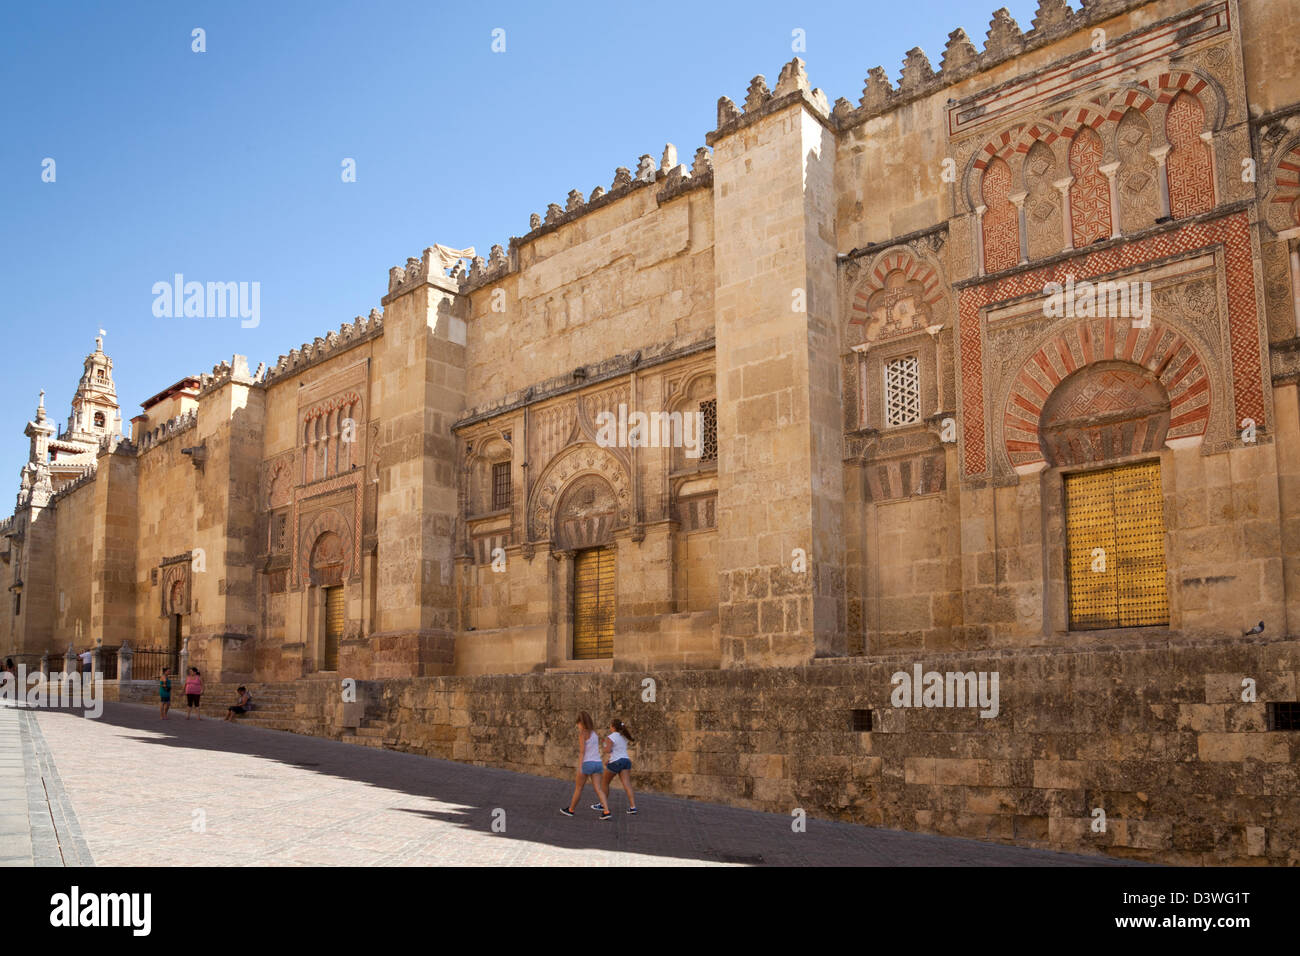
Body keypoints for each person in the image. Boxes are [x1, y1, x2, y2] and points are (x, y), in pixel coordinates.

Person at [560, 711, 610, 820]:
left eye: (578, 724)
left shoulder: (582, 734)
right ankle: (606, 811)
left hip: (587, 763)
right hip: (597, 763)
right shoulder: (594, 734)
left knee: (578, 788)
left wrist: (580, 767)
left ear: (581, 723)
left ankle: (571, 810)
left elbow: (582, 752)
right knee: (598, 789)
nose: (577, 726)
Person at [593, 718, 638, 815]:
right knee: (627, 784)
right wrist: (609, 759)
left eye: (610, 725)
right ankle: (633, 807)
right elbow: (619, 751)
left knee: (604, 783)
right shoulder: (624, 736)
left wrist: (605, 747)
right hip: (626, 761)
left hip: (616, 762)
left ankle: (602, 804)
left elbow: (608, 750)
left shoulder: (611, 737)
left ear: (613, 727)